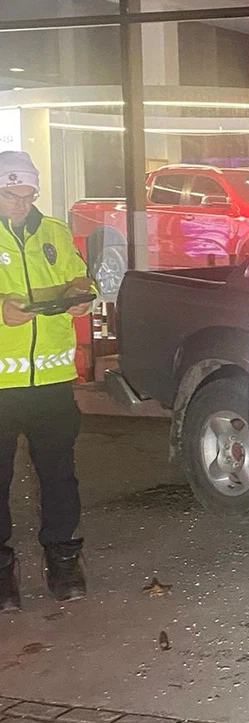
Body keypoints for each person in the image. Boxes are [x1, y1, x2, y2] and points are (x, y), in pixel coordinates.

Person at [0, 150, 95, 612]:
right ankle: (2, 573)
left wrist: (81, 294)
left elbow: (78, 276)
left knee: (59, 476)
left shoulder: (55, 232)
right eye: (12, 195)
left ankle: (64, 560)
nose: (22, 203)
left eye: (28, 194)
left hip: (53, 381)